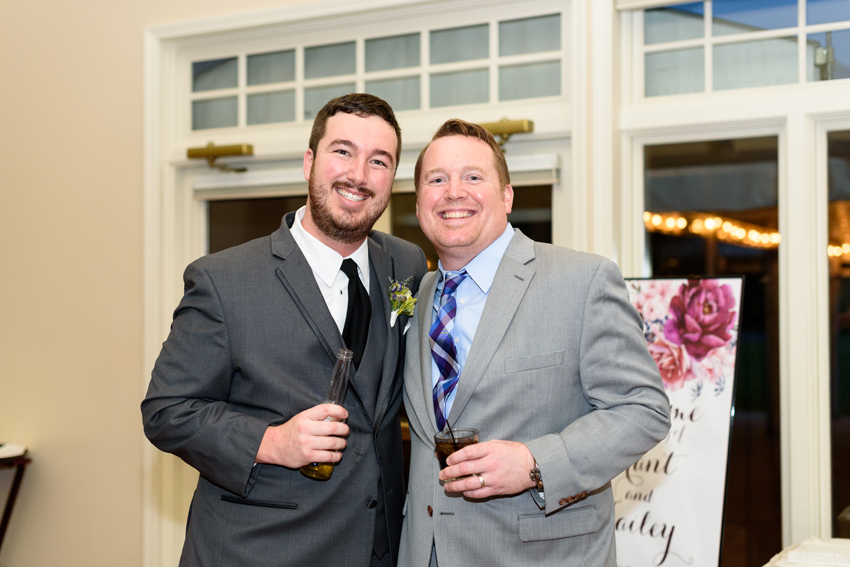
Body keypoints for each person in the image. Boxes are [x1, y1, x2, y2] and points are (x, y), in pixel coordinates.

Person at [142, 93, 428, 567]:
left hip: (379, 548)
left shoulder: (405, 262)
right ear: (310, 161)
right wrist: (271, 442)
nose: (358, 174)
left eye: (379, 160)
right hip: (260, 550)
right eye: (343, 151)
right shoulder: (223, 280)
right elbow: (166, 410)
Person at [399, 119, 671, 567]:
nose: (453, 192)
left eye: (472, 176)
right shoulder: (419, 293)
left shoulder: (582, 280)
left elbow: (644, 409)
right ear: (419, 202)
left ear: (507, 195)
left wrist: (533, 462)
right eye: (436, 179)